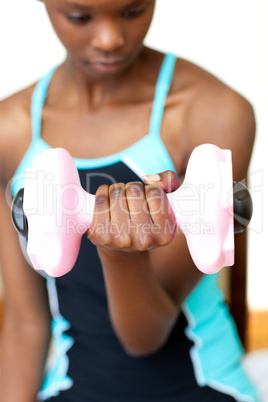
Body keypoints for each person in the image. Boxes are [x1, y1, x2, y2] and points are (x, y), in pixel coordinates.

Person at [0, 0, 260, 401]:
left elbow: (145, 338)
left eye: (133, 10)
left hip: (204, 388)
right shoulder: (8, 131)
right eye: (80, 17)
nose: (110, 39)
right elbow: (24, 322)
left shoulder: (214, 112)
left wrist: (120, 253)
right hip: (72, 387)